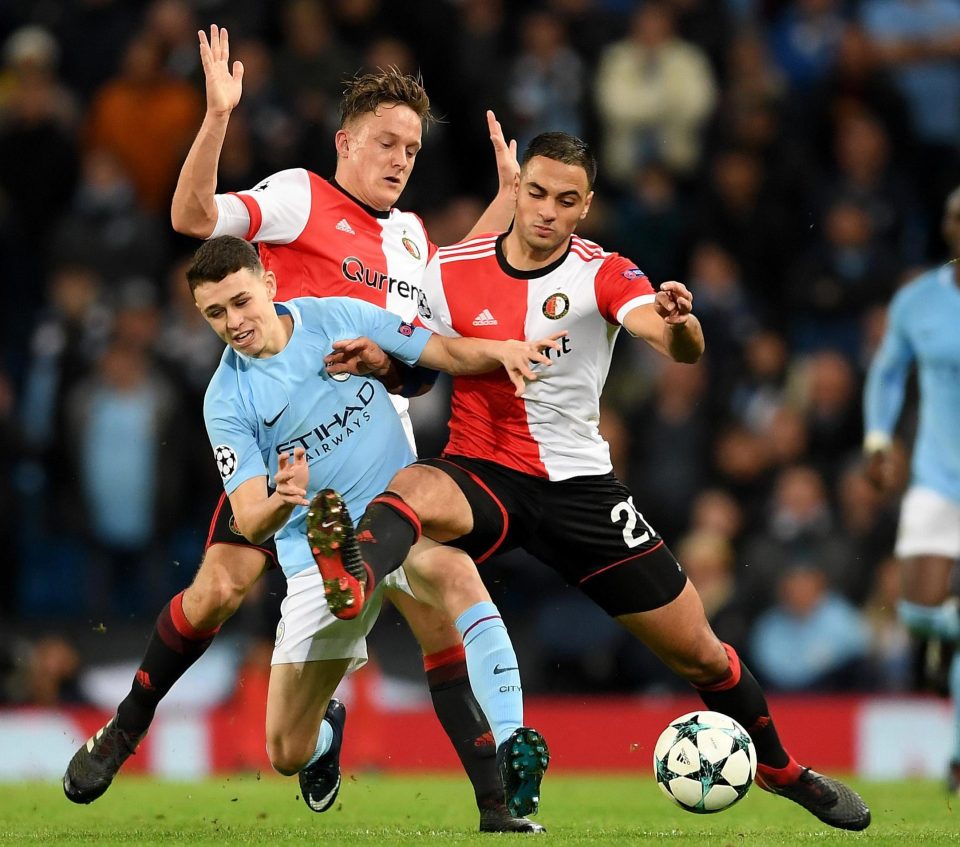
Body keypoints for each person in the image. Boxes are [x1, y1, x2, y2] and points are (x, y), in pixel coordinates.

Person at [63, 25, 544, 834]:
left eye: (413, 149)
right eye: (386, 142)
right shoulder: (299, 196)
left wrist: (512, 205)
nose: (400, 159)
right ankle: (127, 727)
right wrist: (216, 117)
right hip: (279, 446)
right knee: (217, 587)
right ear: (345, 142)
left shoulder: (407, 236)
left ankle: (503, 786)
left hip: (368, 454)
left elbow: (448, 285)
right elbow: (193, 217)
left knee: (442, 595)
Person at [319, 131, 872, 831]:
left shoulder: (602, 272)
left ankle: (783, 768)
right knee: (417, 487)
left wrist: (682, 324)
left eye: (567, 200)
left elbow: (668, 339)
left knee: (700, 649)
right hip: (485, 469)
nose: (548, 210)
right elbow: (427, 365)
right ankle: (354, 575)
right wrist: (383, 361)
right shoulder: (449, 270)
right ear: (517, 191)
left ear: (586, 208)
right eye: (538, 192)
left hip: (581, 490)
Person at [863, 184, 960, 791]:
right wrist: (878, 439)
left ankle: (956, 759)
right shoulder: (918, 302)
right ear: (949, 227)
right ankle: (941, 635)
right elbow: (888, 371)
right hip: (936, 477)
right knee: (918, 612)